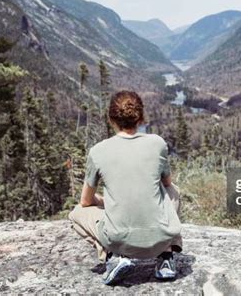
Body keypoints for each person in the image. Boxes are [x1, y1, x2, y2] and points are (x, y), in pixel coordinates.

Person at [68, 90, 183, 285]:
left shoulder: (98, 151)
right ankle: (165, 258)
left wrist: (107, 203)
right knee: (174, 191)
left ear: (111, 119)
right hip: (161, 237)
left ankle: (112, 256)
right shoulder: (157, 144)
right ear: (140, 118)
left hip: (118, 238)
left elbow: (85, 201)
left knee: (76, 214)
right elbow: (167, 185)